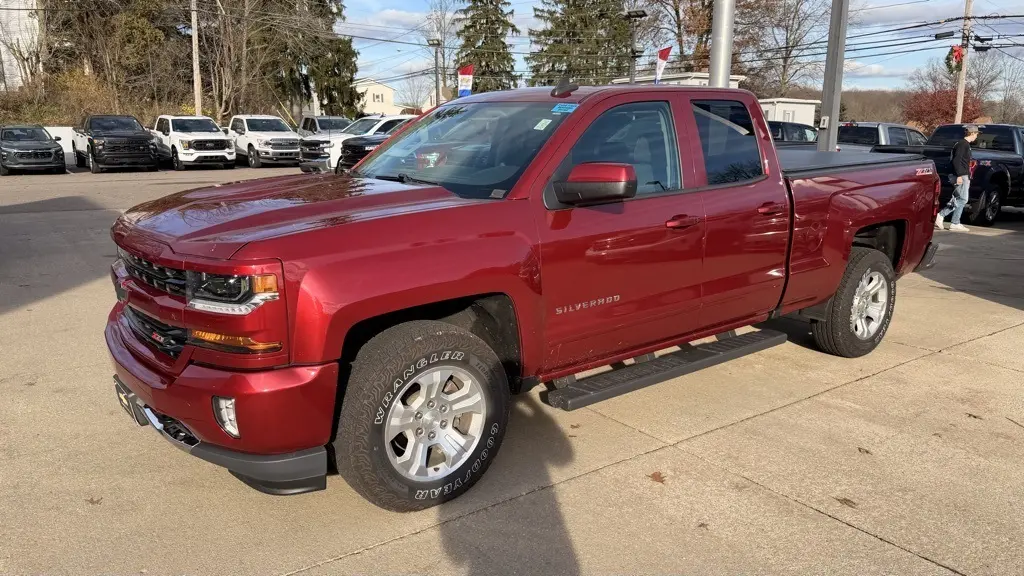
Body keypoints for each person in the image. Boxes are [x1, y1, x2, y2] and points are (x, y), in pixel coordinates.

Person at [936, 124, 979, 232]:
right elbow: (956, 160)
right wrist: (959, 175)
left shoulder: (965, 144)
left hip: (964, 175)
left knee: (958, 199)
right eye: (976, 134)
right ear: (972, 133)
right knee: (963, 199)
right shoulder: (962, 144)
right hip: (960, 175)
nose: (977, 136)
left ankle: (955, 223)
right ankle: (941, 215)